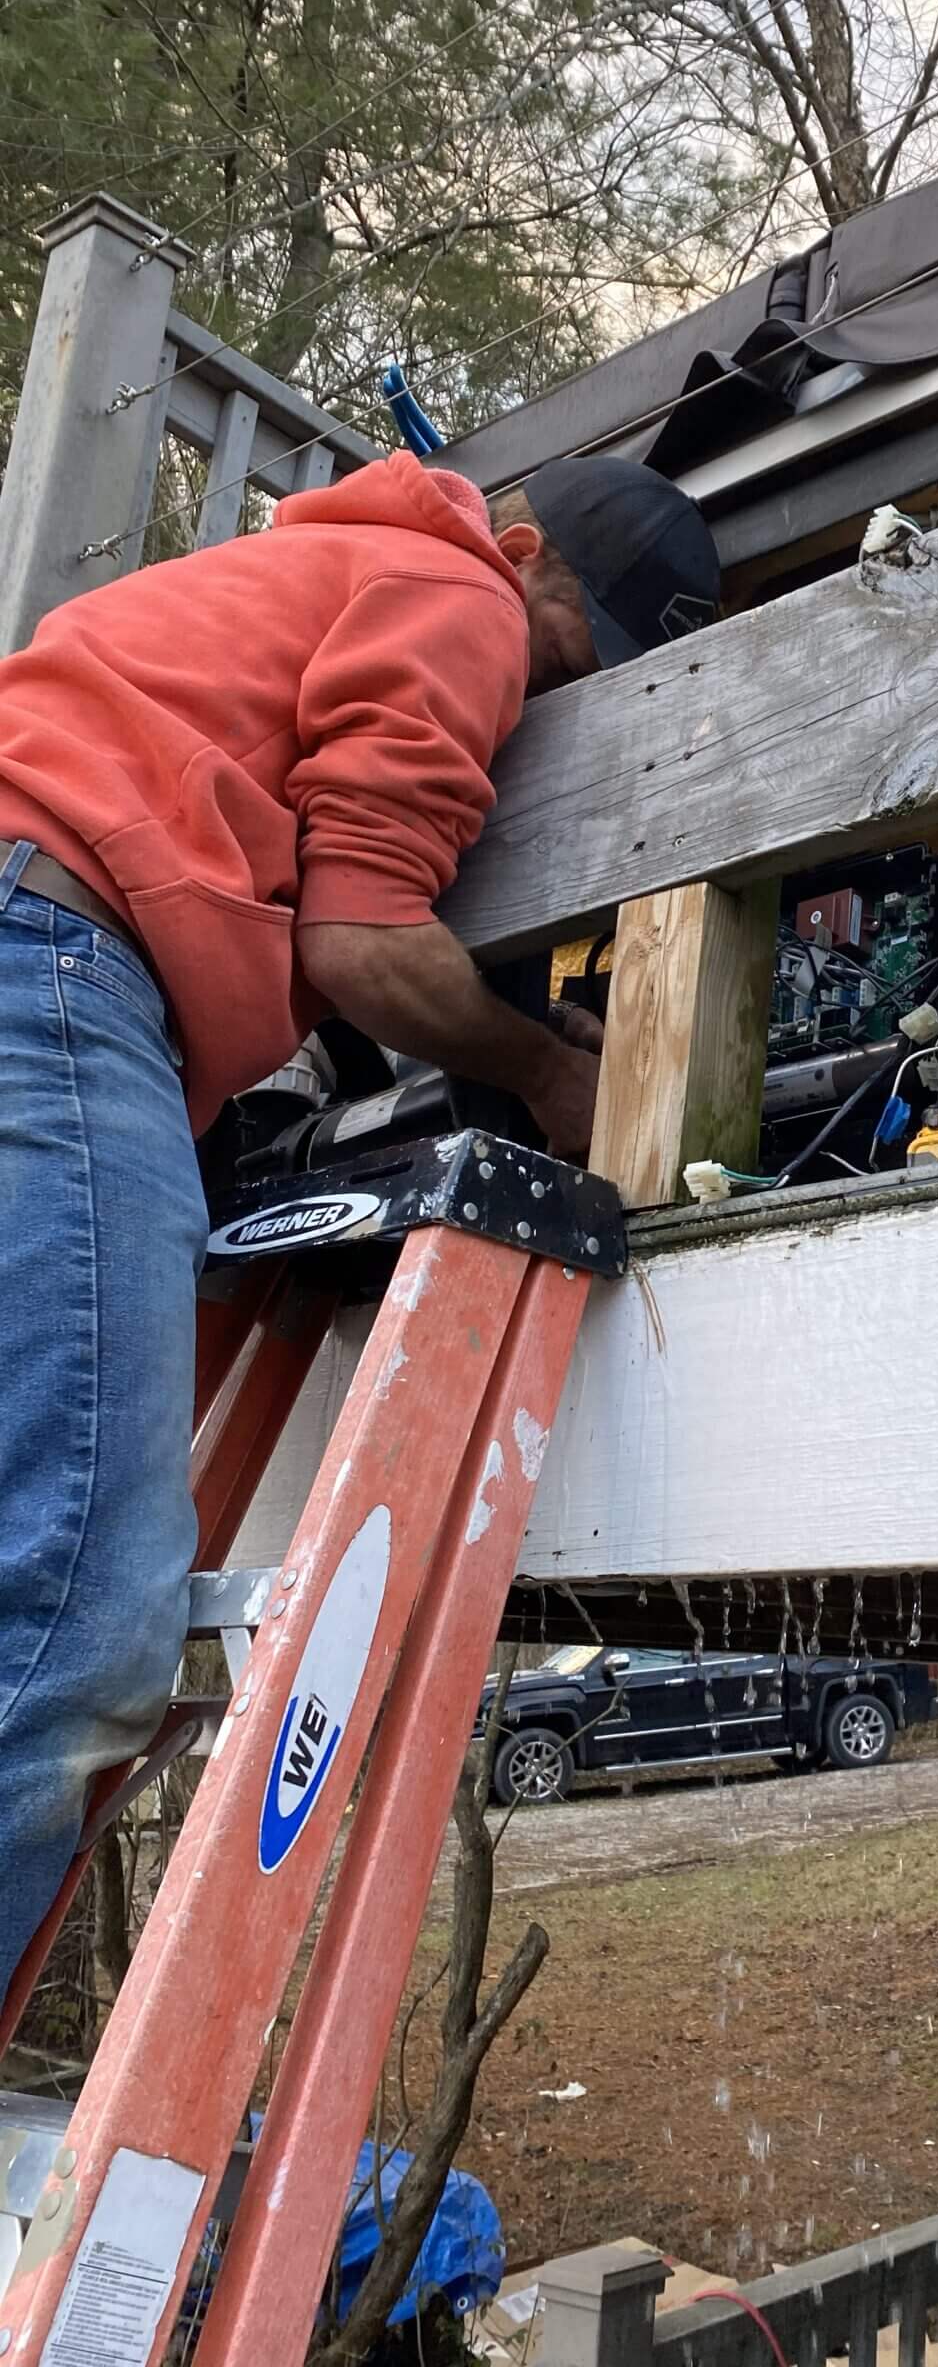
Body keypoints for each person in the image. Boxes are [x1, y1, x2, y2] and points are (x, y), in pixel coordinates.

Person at [0, 448, 720, 2001]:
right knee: (72, 1623)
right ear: (524, 559)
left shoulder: (304, 583)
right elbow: (365, 937)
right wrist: (546, 1070)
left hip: (47, 930)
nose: (553, 700)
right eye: (578, 653)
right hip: (55, 955)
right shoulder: (456, 591)